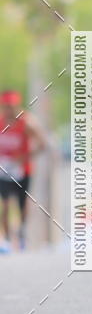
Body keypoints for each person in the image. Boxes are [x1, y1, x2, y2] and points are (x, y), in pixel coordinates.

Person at [0, 89, 47, 252]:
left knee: (22, 204)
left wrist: (25, 156)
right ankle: (6, 240)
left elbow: (43, 144)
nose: (9, 110)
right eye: (5, 106)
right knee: (4, 204)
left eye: (11, 106)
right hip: (4, 171)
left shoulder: (26, 123)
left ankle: (21, 234)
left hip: (23, 171)